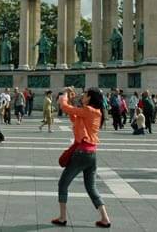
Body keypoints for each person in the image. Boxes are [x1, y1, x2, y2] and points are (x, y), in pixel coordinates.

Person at [53, 87, 111, 228]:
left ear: (90, 97)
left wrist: (64, 95)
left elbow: (66, 108)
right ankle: (105, 218)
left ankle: (62, 217)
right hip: (92, 154)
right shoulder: (96, 112)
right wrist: (72, 100)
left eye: (85, 94)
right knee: (91, 187)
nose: (82, 96)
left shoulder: (88, 110)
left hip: (82, 153)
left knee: (63, 183)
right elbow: (75, 117)